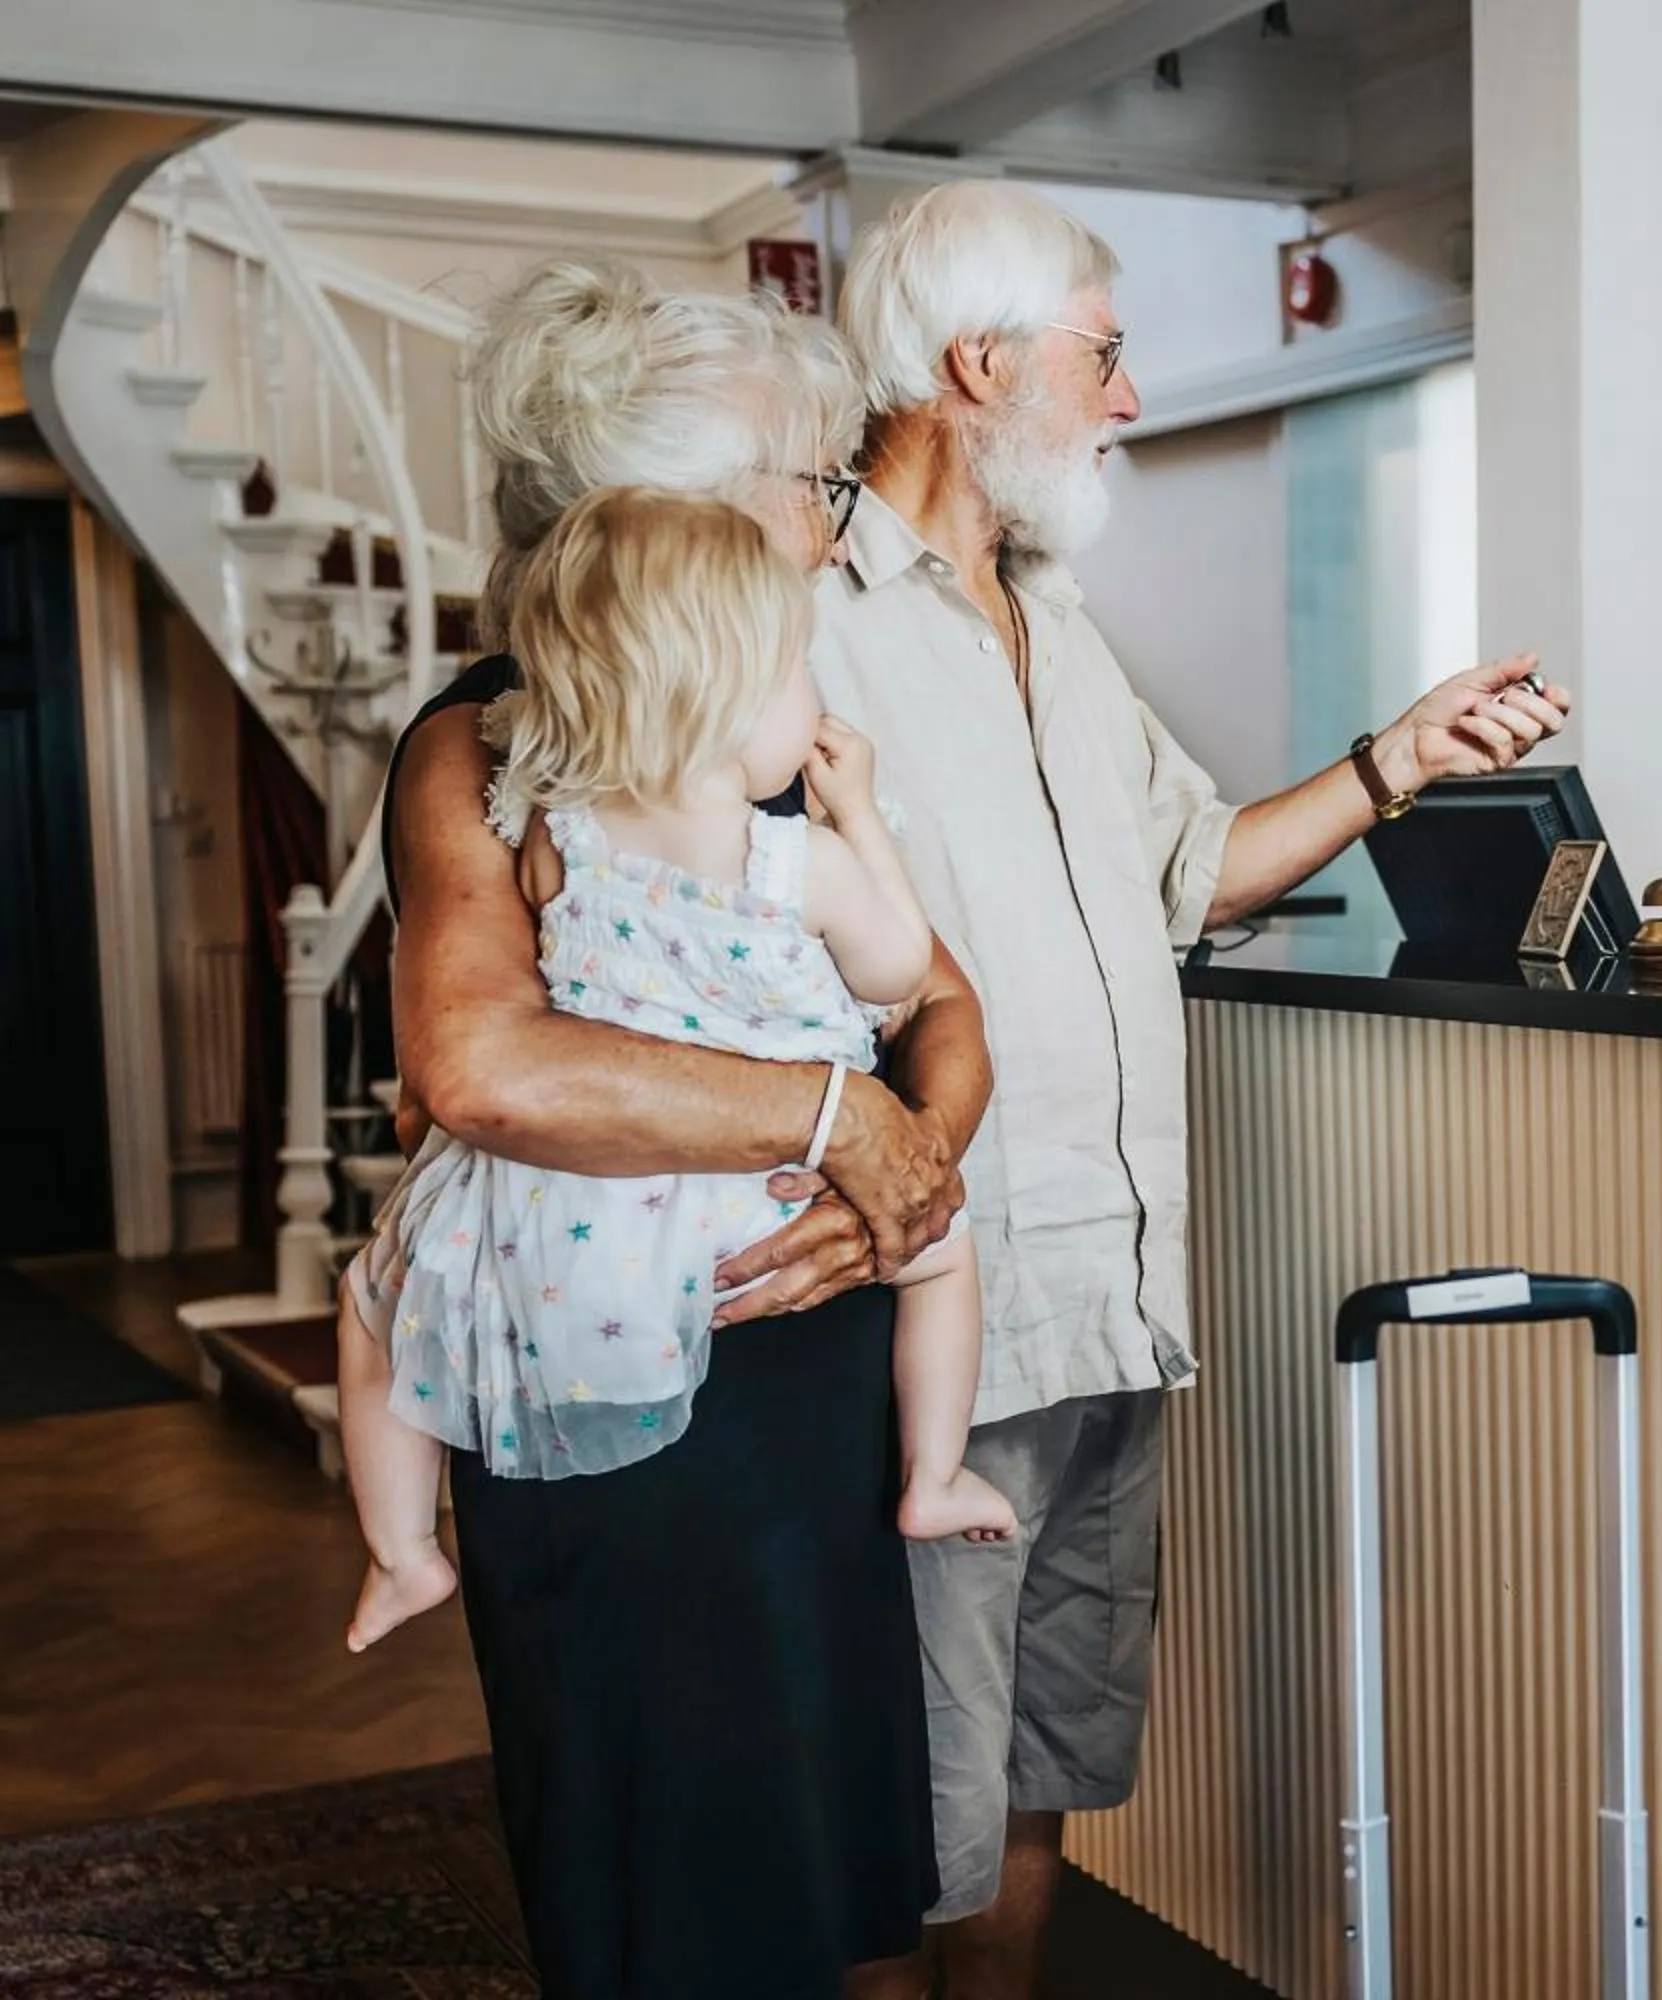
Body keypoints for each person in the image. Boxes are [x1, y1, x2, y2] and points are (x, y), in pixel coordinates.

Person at [818, 180, 1570, 2000]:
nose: (1129, 398)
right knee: (891, 1809)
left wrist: (1400, 760)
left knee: (1041, 1779)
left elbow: (1199, 866)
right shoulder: (798, 608)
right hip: (939, 1312)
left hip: (1118, 1304)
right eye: (1107, 355)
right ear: (975, 364)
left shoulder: (1054, 620)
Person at [382, 260, 989, 1994]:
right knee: (669, 1870)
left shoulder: (772, 743)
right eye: (807, 481)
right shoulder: (491, 741)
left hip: (808, 1372)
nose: (828, 517)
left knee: (806, 1852)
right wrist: (827, 1114)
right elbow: (487, 1058)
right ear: (674, 507)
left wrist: (899, 1179)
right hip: (614, 1390)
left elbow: (942, 1008)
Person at [336, 488, 1017, 1657]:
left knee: (372, 1302)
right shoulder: (794, 864)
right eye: (798, 668)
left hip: (564, 1210)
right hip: (751, 1203)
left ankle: (402, 1549)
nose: (813, 698)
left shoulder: (556, 833)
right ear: (729, 703)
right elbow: (903, 962)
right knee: (946, 1251)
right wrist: (864, 820)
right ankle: (937, 1472)